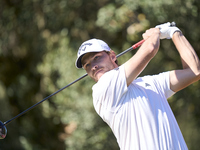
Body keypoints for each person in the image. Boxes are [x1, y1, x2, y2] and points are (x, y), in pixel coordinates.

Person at [75, 22, 200, 150]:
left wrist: (174, 32)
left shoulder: (150, 83)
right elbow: (150, 48)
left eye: (96, 57)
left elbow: (194, 72)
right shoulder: (102, 89)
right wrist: (155, 32)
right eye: (87, 65)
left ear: (112, 56)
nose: (93, 66)